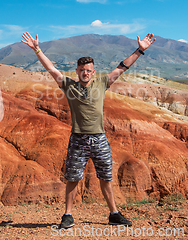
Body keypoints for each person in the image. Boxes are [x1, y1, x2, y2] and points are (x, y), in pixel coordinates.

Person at [21, 32, 156, 229]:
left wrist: (140, 50)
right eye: (82, 70)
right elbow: (51, 68)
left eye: (89, 70)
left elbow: (123, 67)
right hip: (78, 139)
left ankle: (114, 213)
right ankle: (67, 215)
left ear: (94, 72)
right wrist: (37, 50)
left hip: (99, 139)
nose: (85, 73)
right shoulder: (68, 86)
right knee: (73, 178)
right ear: (77, 71)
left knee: (106, 178)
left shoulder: (102, 83)